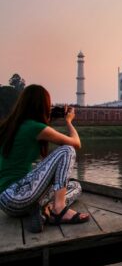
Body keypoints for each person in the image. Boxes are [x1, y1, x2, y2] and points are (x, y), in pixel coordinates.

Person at [0, 84, 89, 233]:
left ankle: (43, 209)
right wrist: (68, 121)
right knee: (67, 150)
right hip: (18, 194)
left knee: (75, 187)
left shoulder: (11, 126)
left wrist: (48, 119)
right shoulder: (35, 127)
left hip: (8, 203)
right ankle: (58, 210)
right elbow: (76, 143)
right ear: (42, 105)